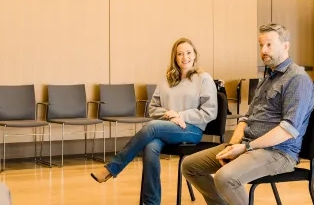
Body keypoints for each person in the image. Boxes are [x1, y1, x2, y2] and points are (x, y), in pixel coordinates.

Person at [181, 23, 314, 205]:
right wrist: (234, 144)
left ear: (286, 46)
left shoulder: (297, 79)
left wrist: (246, 148)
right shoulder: (268, 77)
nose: (263, 50)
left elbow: (287, 130)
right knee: (190, 166)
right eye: (261, 45)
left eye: (269, 45)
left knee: (225, 178)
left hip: (279, 153)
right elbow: (246, 118)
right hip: (248, 145)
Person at [90, 37, 218, 205]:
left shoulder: (203, 79)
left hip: (191, 129)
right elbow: (153, 108)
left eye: (188, 53)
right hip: (167, 127)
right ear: (174, 57)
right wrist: (170, 116)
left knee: (151, 127)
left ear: (195, 55)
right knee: (151, 147)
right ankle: (151, 203)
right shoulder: (167, 80)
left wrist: (180, 115)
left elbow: (210, 112)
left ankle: (112, 168)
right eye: (180, 54)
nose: (184, 57)